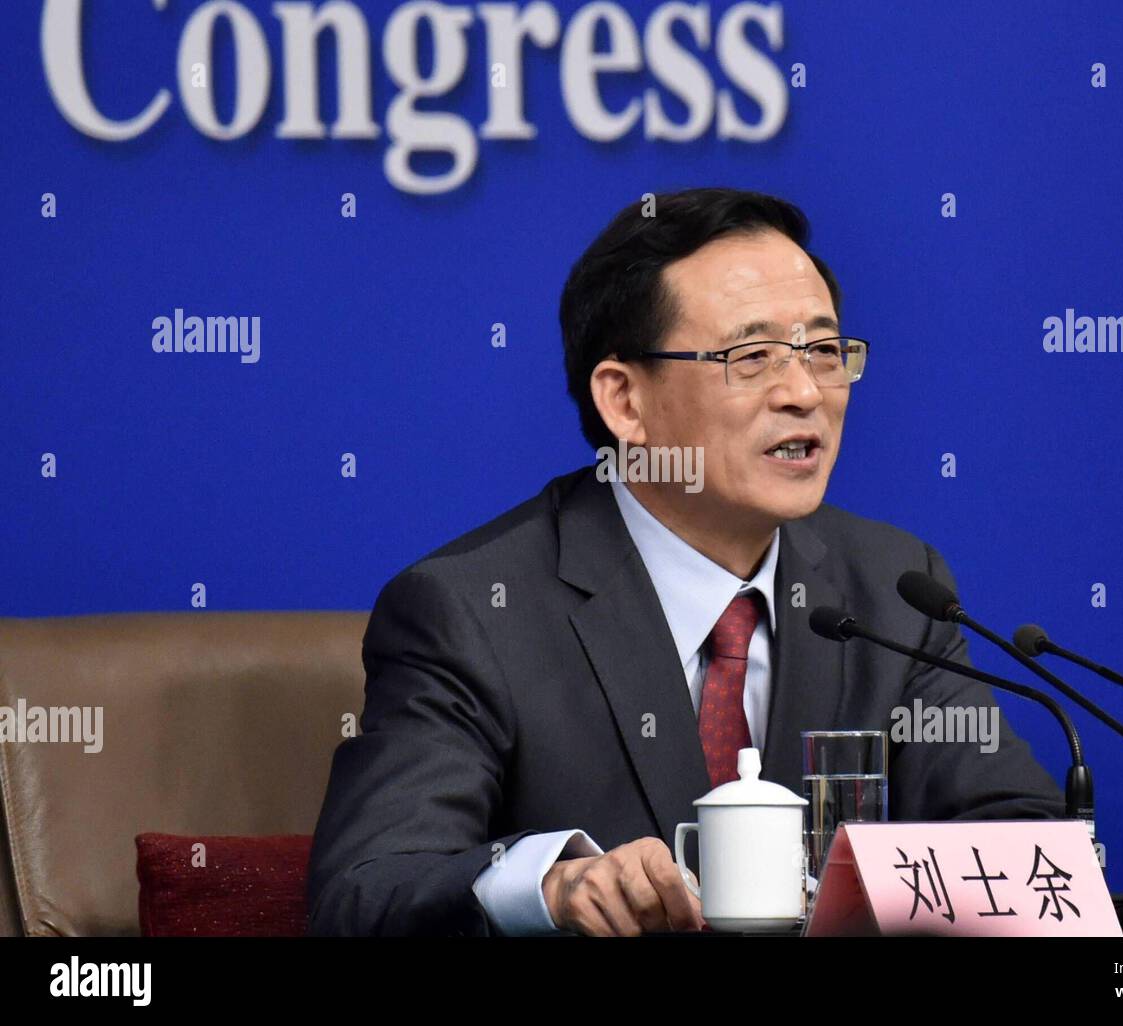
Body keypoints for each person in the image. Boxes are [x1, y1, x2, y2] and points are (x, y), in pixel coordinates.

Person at [306, 187, 1066, 937]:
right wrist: (551, 884)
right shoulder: (472, 610)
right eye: (752, 355)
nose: (804, 391)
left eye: (824, 351)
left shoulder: (894, 587)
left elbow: (1024, 845)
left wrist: (863, 897)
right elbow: (366, 892)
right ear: (625, 402)